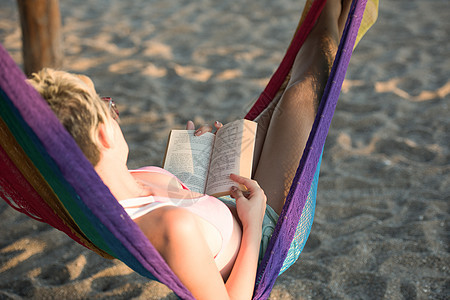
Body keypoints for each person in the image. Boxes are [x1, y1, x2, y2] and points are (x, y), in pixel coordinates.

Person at [27, 0, 351, 298]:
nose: (115, 111)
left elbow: (184, 204)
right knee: (304, 89)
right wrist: (252, 225)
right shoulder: (172, 228)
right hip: (267, 233)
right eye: (108, 108)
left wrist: (200, 157)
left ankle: (335, 11)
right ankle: (339, 12)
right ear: (103, 136)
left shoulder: (108, 185)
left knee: (287, 92)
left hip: (230, 191)